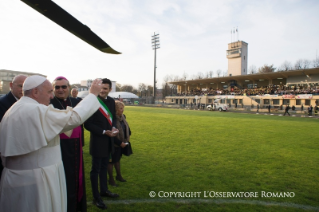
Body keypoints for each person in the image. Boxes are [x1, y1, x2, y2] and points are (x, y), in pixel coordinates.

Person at [0, 75, 102, 212]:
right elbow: (73, 118)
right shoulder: (35, 109)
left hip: (17, 178)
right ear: (35, 92)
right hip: (37, 180)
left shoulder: (14, 108)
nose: (52, 96)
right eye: (49, 91)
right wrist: (92, 95)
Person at [84, 78, 123, 210]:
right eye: (101, 87)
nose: (102, 90)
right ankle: (96, 197)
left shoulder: (112, 101)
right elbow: (88, 124)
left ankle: (104, 190)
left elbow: (111, 118)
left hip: (109, 140)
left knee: (104, 167)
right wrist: (103, 131)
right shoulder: (93, 101)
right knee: (95, 170)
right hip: (98, 141)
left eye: (105, 88)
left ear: (110, 90)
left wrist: (113, 128)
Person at [50, 76, 86, 212]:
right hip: (59, 150)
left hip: (76, 149)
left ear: (69, 87)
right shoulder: (49, 103)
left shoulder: (77, 102)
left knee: (77, 181)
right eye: (57, 87)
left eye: (63, 86)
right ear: (53, 89)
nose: (60, 90)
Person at [0, 74, 27, 180]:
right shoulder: (2, 104)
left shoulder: (28, 103)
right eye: (21, 86)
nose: (23, 90)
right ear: (11, 85)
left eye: (26, 88)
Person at [108, 101, 131, 187]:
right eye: (120, 108)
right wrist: (119, 142)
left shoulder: (123, 117)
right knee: (110, 162)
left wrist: (127, 138)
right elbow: (112, 134)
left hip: (122, 143)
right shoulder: (112, 119)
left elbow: (126, 128)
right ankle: (111, 179)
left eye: (123, 108)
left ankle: (118, 176)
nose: (122, 110)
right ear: (116, 109)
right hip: (113, 144)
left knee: (117, 160)